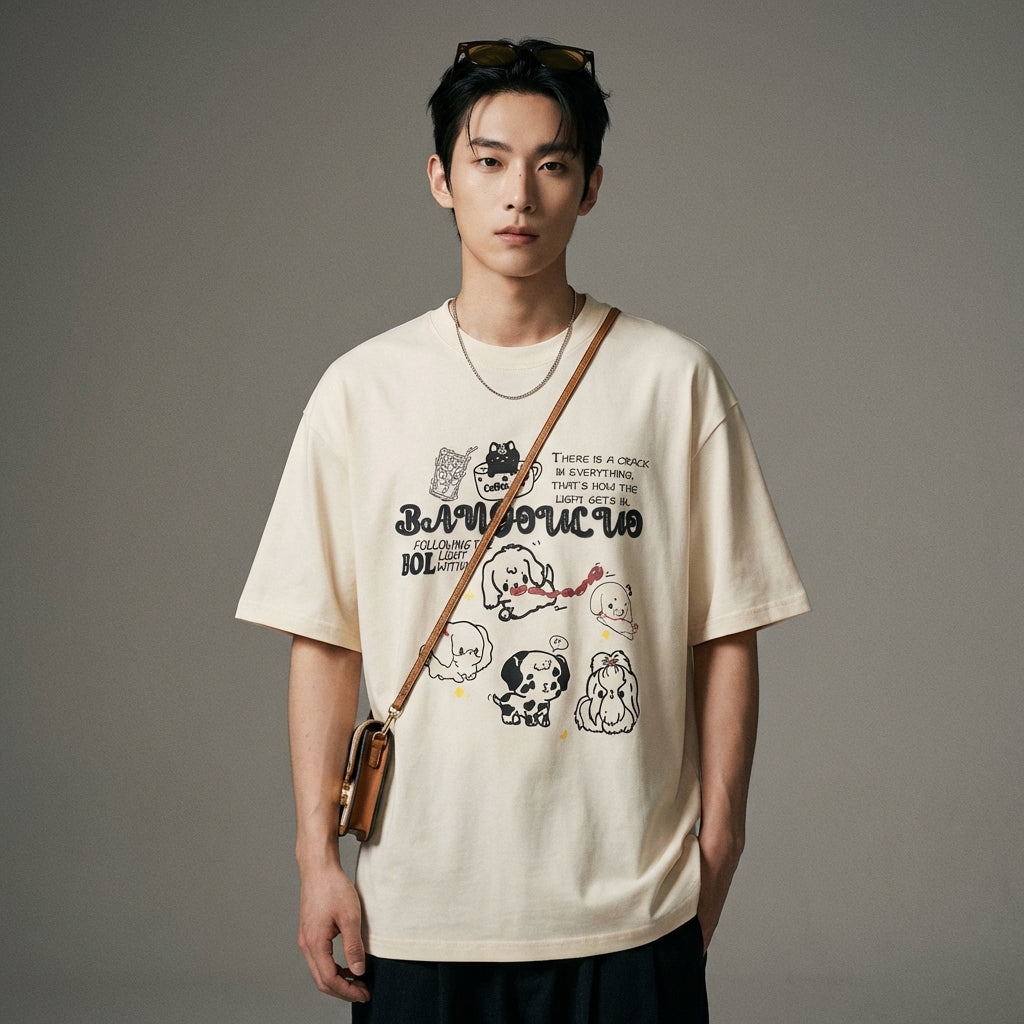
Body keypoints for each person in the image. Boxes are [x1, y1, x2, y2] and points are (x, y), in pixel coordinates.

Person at [237, 38, 809, 1023]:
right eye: (490, 160)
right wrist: (314, 860)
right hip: (418, 912)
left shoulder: (671, 381)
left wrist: (720, 843)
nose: (519, 195)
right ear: (440, 179)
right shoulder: (362, 391)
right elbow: (326, 641)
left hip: (628, 910)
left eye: (552, 164)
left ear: (589, 188)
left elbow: (725, 630)